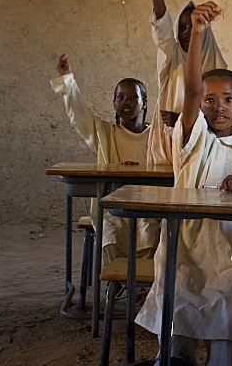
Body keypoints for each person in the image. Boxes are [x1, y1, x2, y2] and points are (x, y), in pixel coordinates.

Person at [135, 1, 232, 366]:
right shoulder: (193, 139)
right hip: (182, 255)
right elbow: (190, 88)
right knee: (176, 355)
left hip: (230, 260)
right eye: (209, 100)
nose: (218, 108)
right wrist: (198, 35)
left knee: (226, 356)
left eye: (228, 100)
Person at [51, 54, 156, 264]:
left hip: (147, 207)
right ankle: (114, 283)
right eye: (120, 97)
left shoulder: (157, 137)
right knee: (111, 230)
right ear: (114, 103)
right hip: (112, 209)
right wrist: (67, 80)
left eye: (133, 97)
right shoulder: (105, 134)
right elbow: (79, 116)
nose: (126, 102)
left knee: (150, 229)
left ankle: (141, 285)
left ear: (144, 103)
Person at [144, 0, 227, 165]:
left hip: (203, 148)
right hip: (167, 145)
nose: (188, 33)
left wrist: (182, 119)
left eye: (193, 26)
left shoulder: (216, 67)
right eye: (182, 27)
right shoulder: (171, 56)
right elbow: (161, 24)